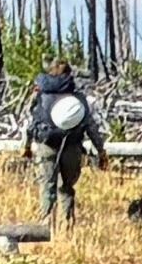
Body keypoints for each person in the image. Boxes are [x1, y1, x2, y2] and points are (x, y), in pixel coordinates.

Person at [24, 59, 99, 223]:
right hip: (71, 146)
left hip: (46, 144)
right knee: (66, 188)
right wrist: (101, 150)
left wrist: (27, 146)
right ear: (69, 74)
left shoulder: (41, 95)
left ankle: (45, 225)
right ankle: (66, 225)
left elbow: (31, 123)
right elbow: (90, 125)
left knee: (46, 186)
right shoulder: (77, 97)